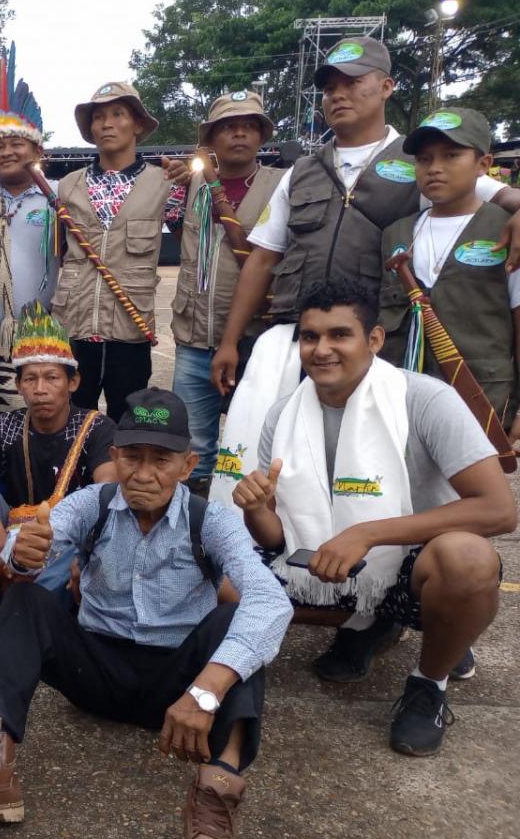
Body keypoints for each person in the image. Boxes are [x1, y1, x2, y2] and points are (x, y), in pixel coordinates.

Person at [0, 388, 292, 839]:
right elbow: (36, 539)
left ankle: (214, 797)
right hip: (94, 671)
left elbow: (270, 598)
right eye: (132, 457)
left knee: (237, 626)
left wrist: (205, 691)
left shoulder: (211, 520)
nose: (143, 474)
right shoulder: (91, 504)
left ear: (187, 465)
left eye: (161, 459)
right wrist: (23, 552)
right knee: (28, 600)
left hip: (177, 684)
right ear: (114, 457)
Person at [210, 38, 520, 500]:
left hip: (380, 350)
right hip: (307, 343)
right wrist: (231, 341)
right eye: (330, 87)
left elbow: (487, 199)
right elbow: (262, 258)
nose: (338, 94)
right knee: (298, 460)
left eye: (353, 83)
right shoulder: (302, 171)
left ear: (387, 86)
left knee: (373, 468)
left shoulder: (421, 161)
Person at [233, 279, 515, 757]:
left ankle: (430, 680)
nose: (321, 350)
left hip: (411, 564)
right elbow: (276, 538)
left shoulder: (424, 399)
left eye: (339, 335)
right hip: (321, 560)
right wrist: (257, 508)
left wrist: (367, 533)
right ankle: (371, 622)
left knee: (467, 560)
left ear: (376, 340)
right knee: (220, 580)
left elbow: (499, 508)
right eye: (309, 337)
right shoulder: (284, 413)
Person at [0, 302, 117, 673]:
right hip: (10, 538)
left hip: (63, 543)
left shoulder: (96, 427)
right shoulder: (7, 425)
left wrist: (58, 531)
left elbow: (108, 492)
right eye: (30, 379)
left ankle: (17, 620)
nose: (40, 389)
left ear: (73, 382)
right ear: (18, 385)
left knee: (88, 514)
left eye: (52, 378)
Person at [379, 107, 519, 435]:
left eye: (451, 155)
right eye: (424, 159)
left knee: (472, 486)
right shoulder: (395, 234)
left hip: (479, 397)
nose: (435, 169)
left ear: (483, 165)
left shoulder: (506, 231)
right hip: (401, 396)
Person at [52, 82, 187, 420]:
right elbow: (60, 253)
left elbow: (190, 244)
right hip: (75, 326)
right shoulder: (69, 185)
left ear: (138, 124)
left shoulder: (166, 182)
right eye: (98, 117)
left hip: (130, 328)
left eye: (118, 114)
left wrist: (191, 182)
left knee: (127, 422)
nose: (107, 123)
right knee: (70, 419)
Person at [172, 91, 284, 496]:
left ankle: (253, 533)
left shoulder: (283, 184)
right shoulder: (190, 185)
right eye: (228, 127)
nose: (239, 134)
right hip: (194, 338)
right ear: (211, 140)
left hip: (259, 338)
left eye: (249, 126)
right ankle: (197, 533)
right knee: (192, 449)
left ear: (261, 136)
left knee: (255, 441)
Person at [0, 43, 60, 410]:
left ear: (38, 151)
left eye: (16, 143)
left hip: (40, 333)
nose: (5, 152)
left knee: (37, 418)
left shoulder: (59, 196)